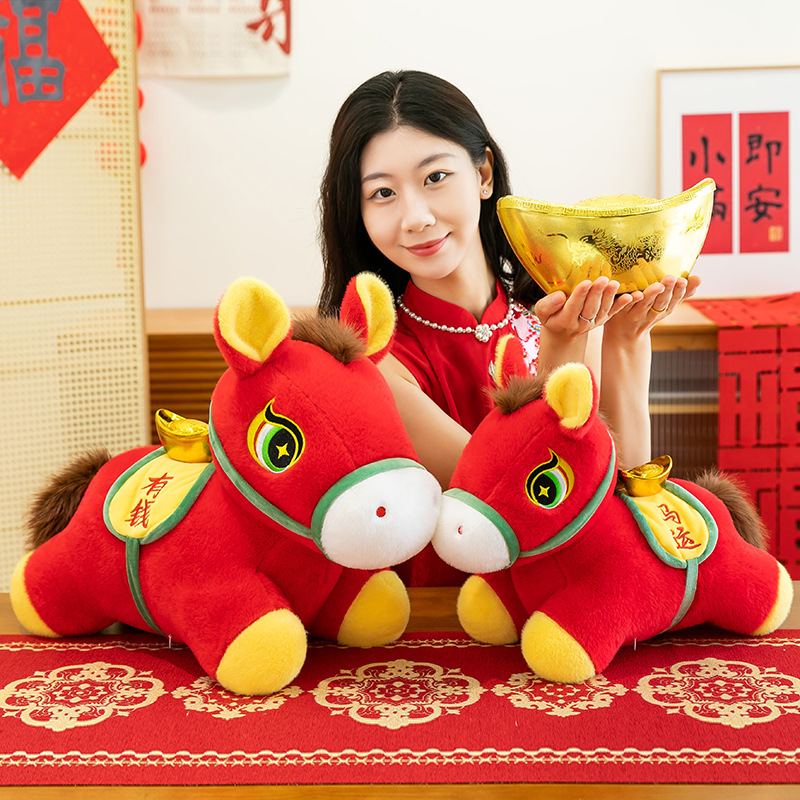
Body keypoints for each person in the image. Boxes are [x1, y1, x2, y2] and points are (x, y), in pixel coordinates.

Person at [318, 70, 700, 585]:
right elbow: (521, 501)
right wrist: (561, 352)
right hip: (453, 618)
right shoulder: (373, 361)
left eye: (435, 177)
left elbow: (628, 495)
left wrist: (629, 339)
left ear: (483, 174)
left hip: (576, 600)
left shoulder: (560, 311)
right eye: (382, 193)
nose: (416, 217)